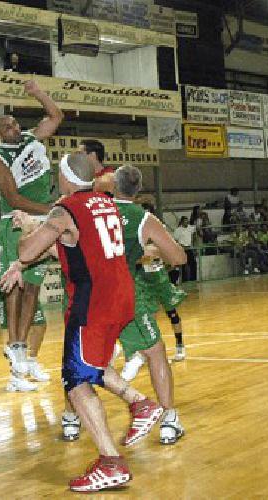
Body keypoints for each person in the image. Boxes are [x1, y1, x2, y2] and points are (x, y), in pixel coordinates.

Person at [1, 153, 164, 492]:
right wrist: (21, 261)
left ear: (63, 177)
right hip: (121, 294)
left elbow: (31, 249)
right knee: (92, 363)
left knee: (75, 380)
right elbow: (76, 243)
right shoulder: (104, 203)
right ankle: (141, 404)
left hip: (94, 300)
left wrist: (28, 229)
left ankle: (111, 462)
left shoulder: (65, 210)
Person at [81, 164, 189, 446]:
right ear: (138, 190)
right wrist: (147, 252)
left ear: (112, 187)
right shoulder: (143, 218)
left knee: (82, 359)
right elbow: (179, 258)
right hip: (126, 295)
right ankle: (168, 418)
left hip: (92, 297)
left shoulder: (94, 212)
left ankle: (73, 419)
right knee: (156, 353)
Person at [0, 78, 63, 392]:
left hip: (40, 223)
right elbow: (14, 198)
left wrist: (38, 94)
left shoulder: (32, 138)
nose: (14, 128)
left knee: (33, 288)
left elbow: (56, 117)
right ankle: (15, 349)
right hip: (15, 222)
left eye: (15, 123)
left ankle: (21, 356)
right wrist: (49, 208)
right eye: (7, 126)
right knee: (14, 287)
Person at [0, 227, 51, 384]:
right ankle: (16, 376)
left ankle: (31, 361)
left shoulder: (29, 229)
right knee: (13, 331)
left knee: (40, 324)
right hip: (5, 284)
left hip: (25, 282)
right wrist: (2, 265)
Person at [171, 216, 197, 282]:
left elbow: (194, 232)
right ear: (182, 222)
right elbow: (175, 240)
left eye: (187, 221)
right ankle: (184, 280)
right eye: (185, 221)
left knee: (193, 264)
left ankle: (193, 279)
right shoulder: (178, 230)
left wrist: (193, 242)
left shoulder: (190, 228)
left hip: (189, 248)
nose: (186, 222)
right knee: (183, 265)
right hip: (182, 249)